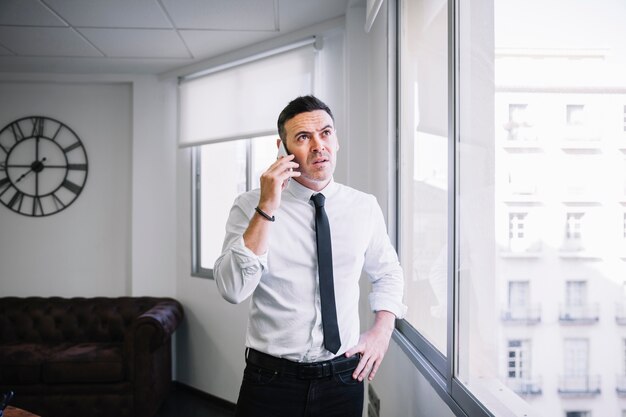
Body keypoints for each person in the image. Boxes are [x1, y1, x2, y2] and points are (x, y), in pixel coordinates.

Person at [214, 95, 406, 417]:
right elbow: (233, 289)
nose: (319, 145)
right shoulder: (249, 206)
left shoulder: (364, 207)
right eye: (304, 137)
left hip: (344, 378)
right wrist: (267, 208)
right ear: (282, 148)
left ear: (337, 140)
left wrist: (381, 332)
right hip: (271, 381)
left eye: (326, 133)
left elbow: (388, 272)